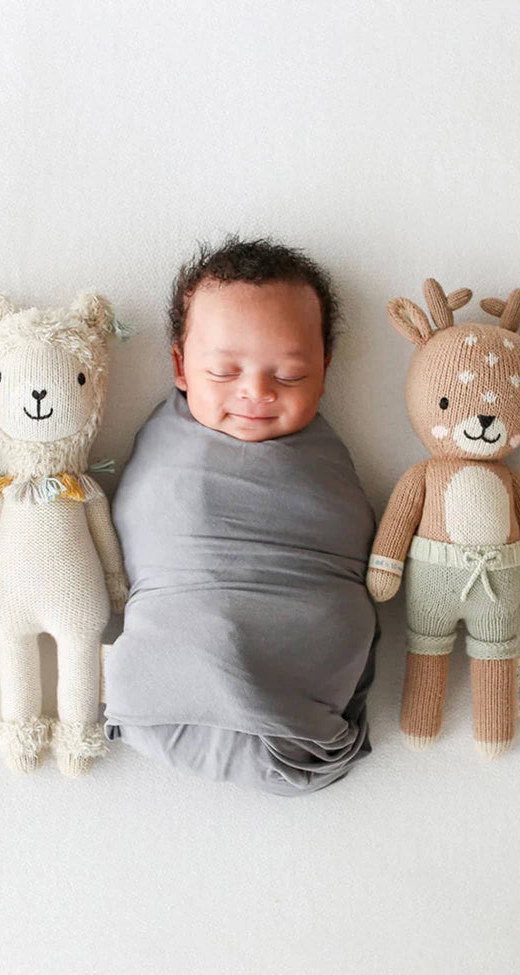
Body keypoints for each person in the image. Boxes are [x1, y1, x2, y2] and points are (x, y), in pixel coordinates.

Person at [102, 237, 378, 794]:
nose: (256, 392)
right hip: (171, 680)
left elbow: (346, 541)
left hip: (309, 690)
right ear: (180, 365)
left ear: (325, 368)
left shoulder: (326, 461)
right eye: (225, 372)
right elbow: (148, 522)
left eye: (291, 375)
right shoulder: (168, 450)